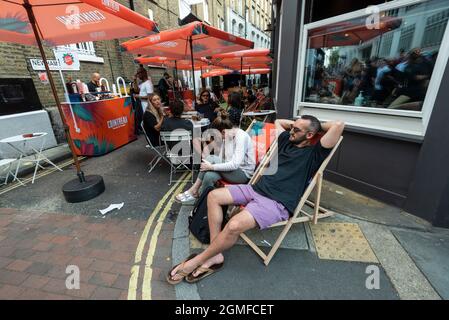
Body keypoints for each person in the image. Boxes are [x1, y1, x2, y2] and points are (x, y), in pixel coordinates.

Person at [167, 115, 344, 284]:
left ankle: (197, 261)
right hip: (256, 189)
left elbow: (338, 125)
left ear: (310, 135)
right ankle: (215, 254)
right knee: (213, 196)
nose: (291, 131)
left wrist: (313, 127)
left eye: (297, 130)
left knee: (234, 225)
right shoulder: (285, 141)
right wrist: (297, 125)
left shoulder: (314, 154)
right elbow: (279, 121)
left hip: (277, 202)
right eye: (293, 128)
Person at [175, 112, 255, 204]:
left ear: (223, 131)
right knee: (209, 175)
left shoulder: (241, 137)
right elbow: (220, 157)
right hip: (229, 171)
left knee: (211, 158)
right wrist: (211, 166)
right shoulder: (227, 136)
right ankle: (201, 203)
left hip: (242, 175)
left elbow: (235, 165)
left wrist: (212, 167)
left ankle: (194, 190)